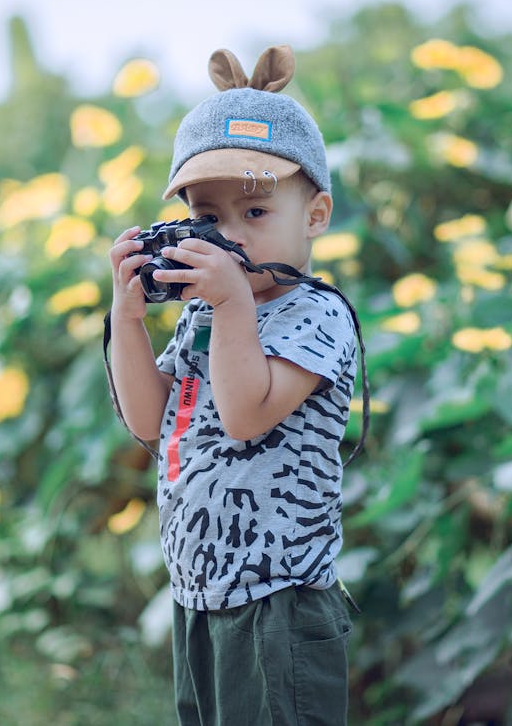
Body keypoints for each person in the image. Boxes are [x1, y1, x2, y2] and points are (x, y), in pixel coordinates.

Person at [107, 44, 358, 725]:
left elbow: (247, 412)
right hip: (200, 593)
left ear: (315, 215)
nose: (229, 238)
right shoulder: (201, 313)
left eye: (255, 213)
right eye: (209, 218)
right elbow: (149, 421)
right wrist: (127, 318)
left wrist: (231, 306)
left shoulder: (319, 314)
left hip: (279, 602)